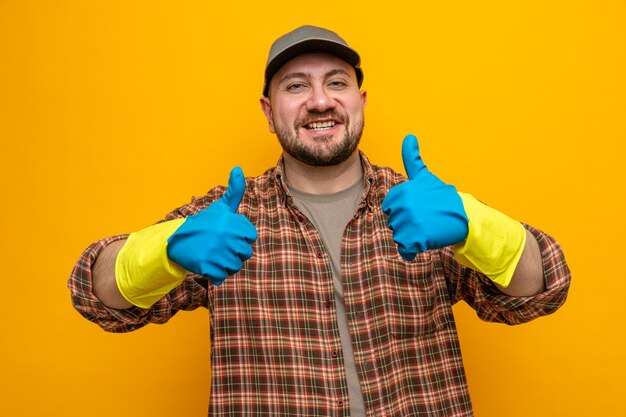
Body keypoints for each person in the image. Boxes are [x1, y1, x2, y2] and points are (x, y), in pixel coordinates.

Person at [68, 25, 571, 416]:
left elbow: (543, 286)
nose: (320, 100)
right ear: (269, 111)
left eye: (337, 82)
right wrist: (165, 250)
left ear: (360, 101)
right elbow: (96, 296)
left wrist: (473, 225)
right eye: (295, 85)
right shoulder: (225, 218)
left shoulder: (421, 206)